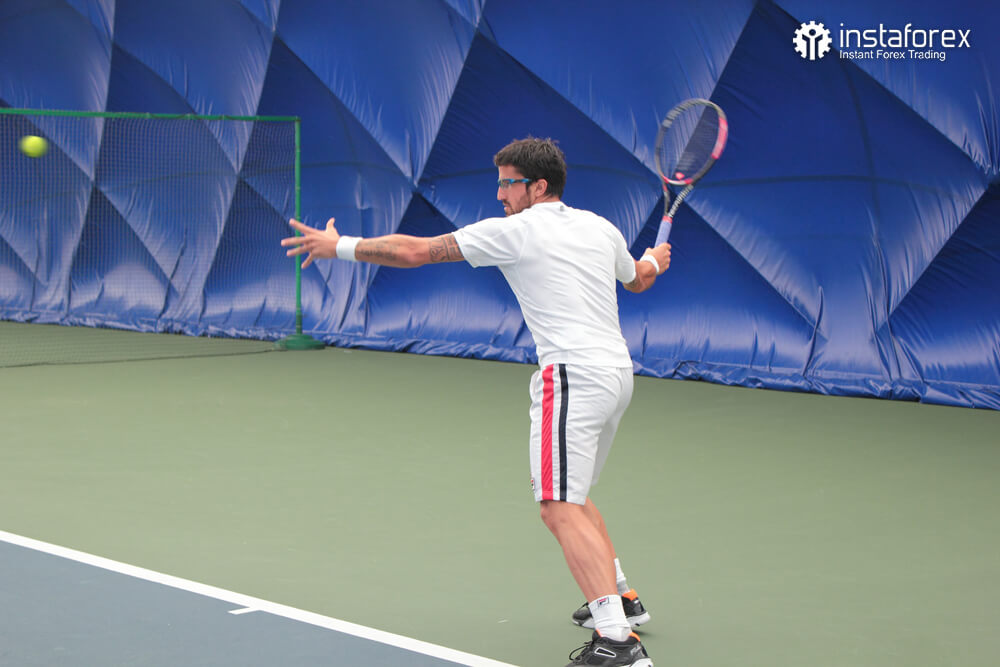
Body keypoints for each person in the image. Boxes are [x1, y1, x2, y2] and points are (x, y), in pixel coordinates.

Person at [281, 138, 669, 667]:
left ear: (538, 187)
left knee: (557, 506)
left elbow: (415, 251)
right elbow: (640, 280)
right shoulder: (601, 228)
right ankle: (622, 598)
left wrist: (340, 246)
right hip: (617, 376)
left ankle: (617, 641)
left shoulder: (517, 231)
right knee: (573, 496)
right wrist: (651, 259)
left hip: (572, 377)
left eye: (508, 184)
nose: (500, 194)